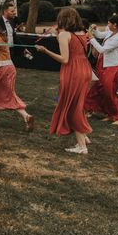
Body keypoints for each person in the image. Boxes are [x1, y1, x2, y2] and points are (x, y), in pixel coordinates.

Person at [36, 8, 92, 154]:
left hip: (73, 71)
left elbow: (65, 59)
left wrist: (45, 51)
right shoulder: (81, 33)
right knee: (77, 104)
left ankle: (82, 146)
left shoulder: (64, 34)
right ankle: (84, 137)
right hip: (85, 70)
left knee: (73, 107)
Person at [85, 15, 118, 124]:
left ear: (115, 25)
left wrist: (91, 38)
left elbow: (101, 49)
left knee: (109, 91)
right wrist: (95, 29)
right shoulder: (112, 32)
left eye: (109, 23)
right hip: (108, 66)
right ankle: (110, 114)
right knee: (103, 90)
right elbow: (101, 35)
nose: (108, 25)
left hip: (115, 67)